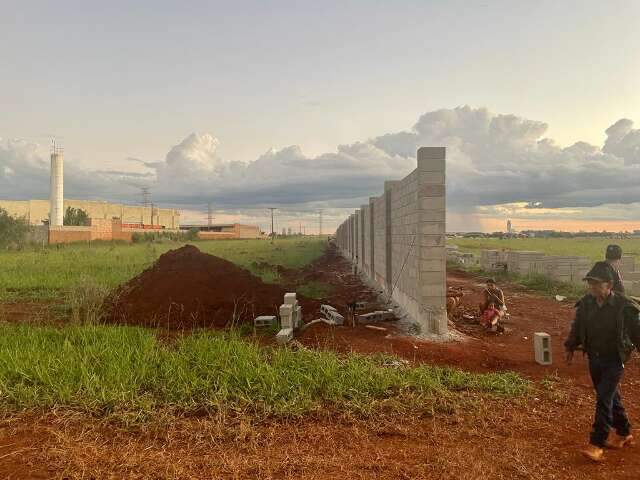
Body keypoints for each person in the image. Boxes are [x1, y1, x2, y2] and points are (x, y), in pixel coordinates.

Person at [564, 261, 640, 462]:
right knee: (610, 395)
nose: (592, 287)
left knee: (603, 398)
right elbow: (577, 326)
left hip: (614, 360)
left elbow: (637, 333)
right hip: (594, 358)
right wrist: (570, 346)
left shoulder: (625, 307)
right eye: (590, 283)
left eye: (597, 283)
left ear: (609, 285)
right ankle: (624, 433)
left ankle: (597, 443)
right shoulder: (586, 304)